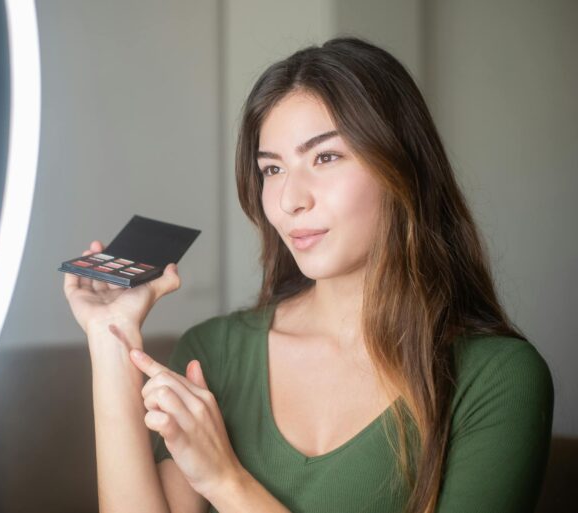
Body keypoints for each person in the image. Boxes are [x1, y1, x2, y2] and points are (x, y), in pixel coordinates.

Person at [62, 37, 554, 513]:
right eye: (272, 169)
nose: (290, 200)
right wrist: (111, 338)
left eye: (325, 157)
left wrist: (225, 481)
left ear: (402, 167)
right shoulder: (213, 353)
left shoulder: (499, 378)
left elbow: (221, 482)